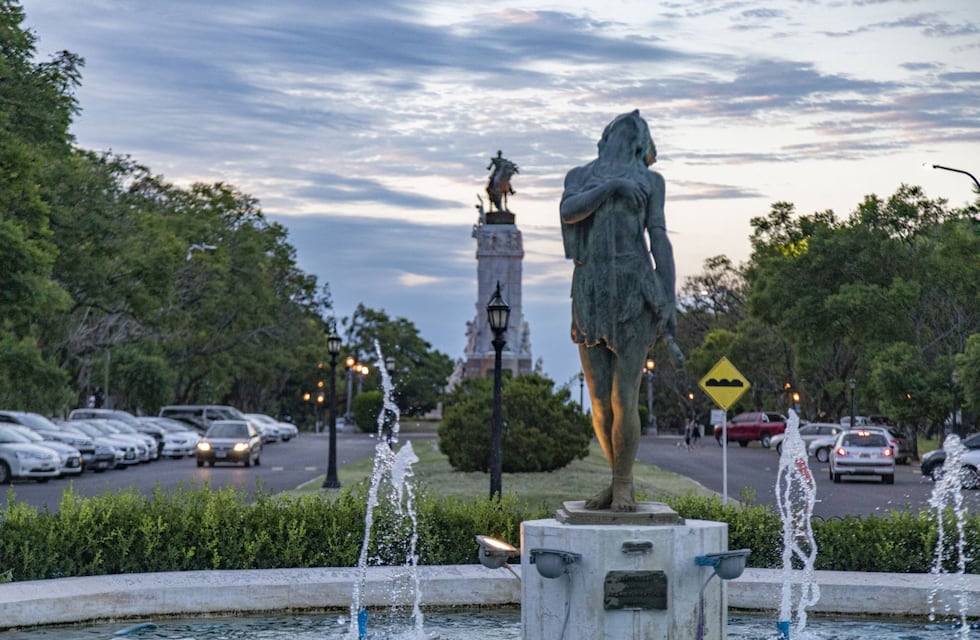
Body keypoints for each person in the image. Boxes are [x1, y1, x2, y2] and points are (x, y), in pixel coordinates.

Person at [560, 110, 680, 512]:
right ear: (606, 136)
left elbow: (659, 236)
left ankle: (623, 484)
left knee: (623, 393)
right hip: (590, 286)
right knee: (597, 398)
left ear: (639, 143)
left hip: (634, 284)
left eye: (635, 128)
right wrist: (612, 186)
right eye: (620, 124)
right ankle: (616, 481)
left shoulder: (651, 181)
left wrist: (670, 292)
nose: (629, 124)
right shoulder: (580, 176)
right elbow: (568, 211)